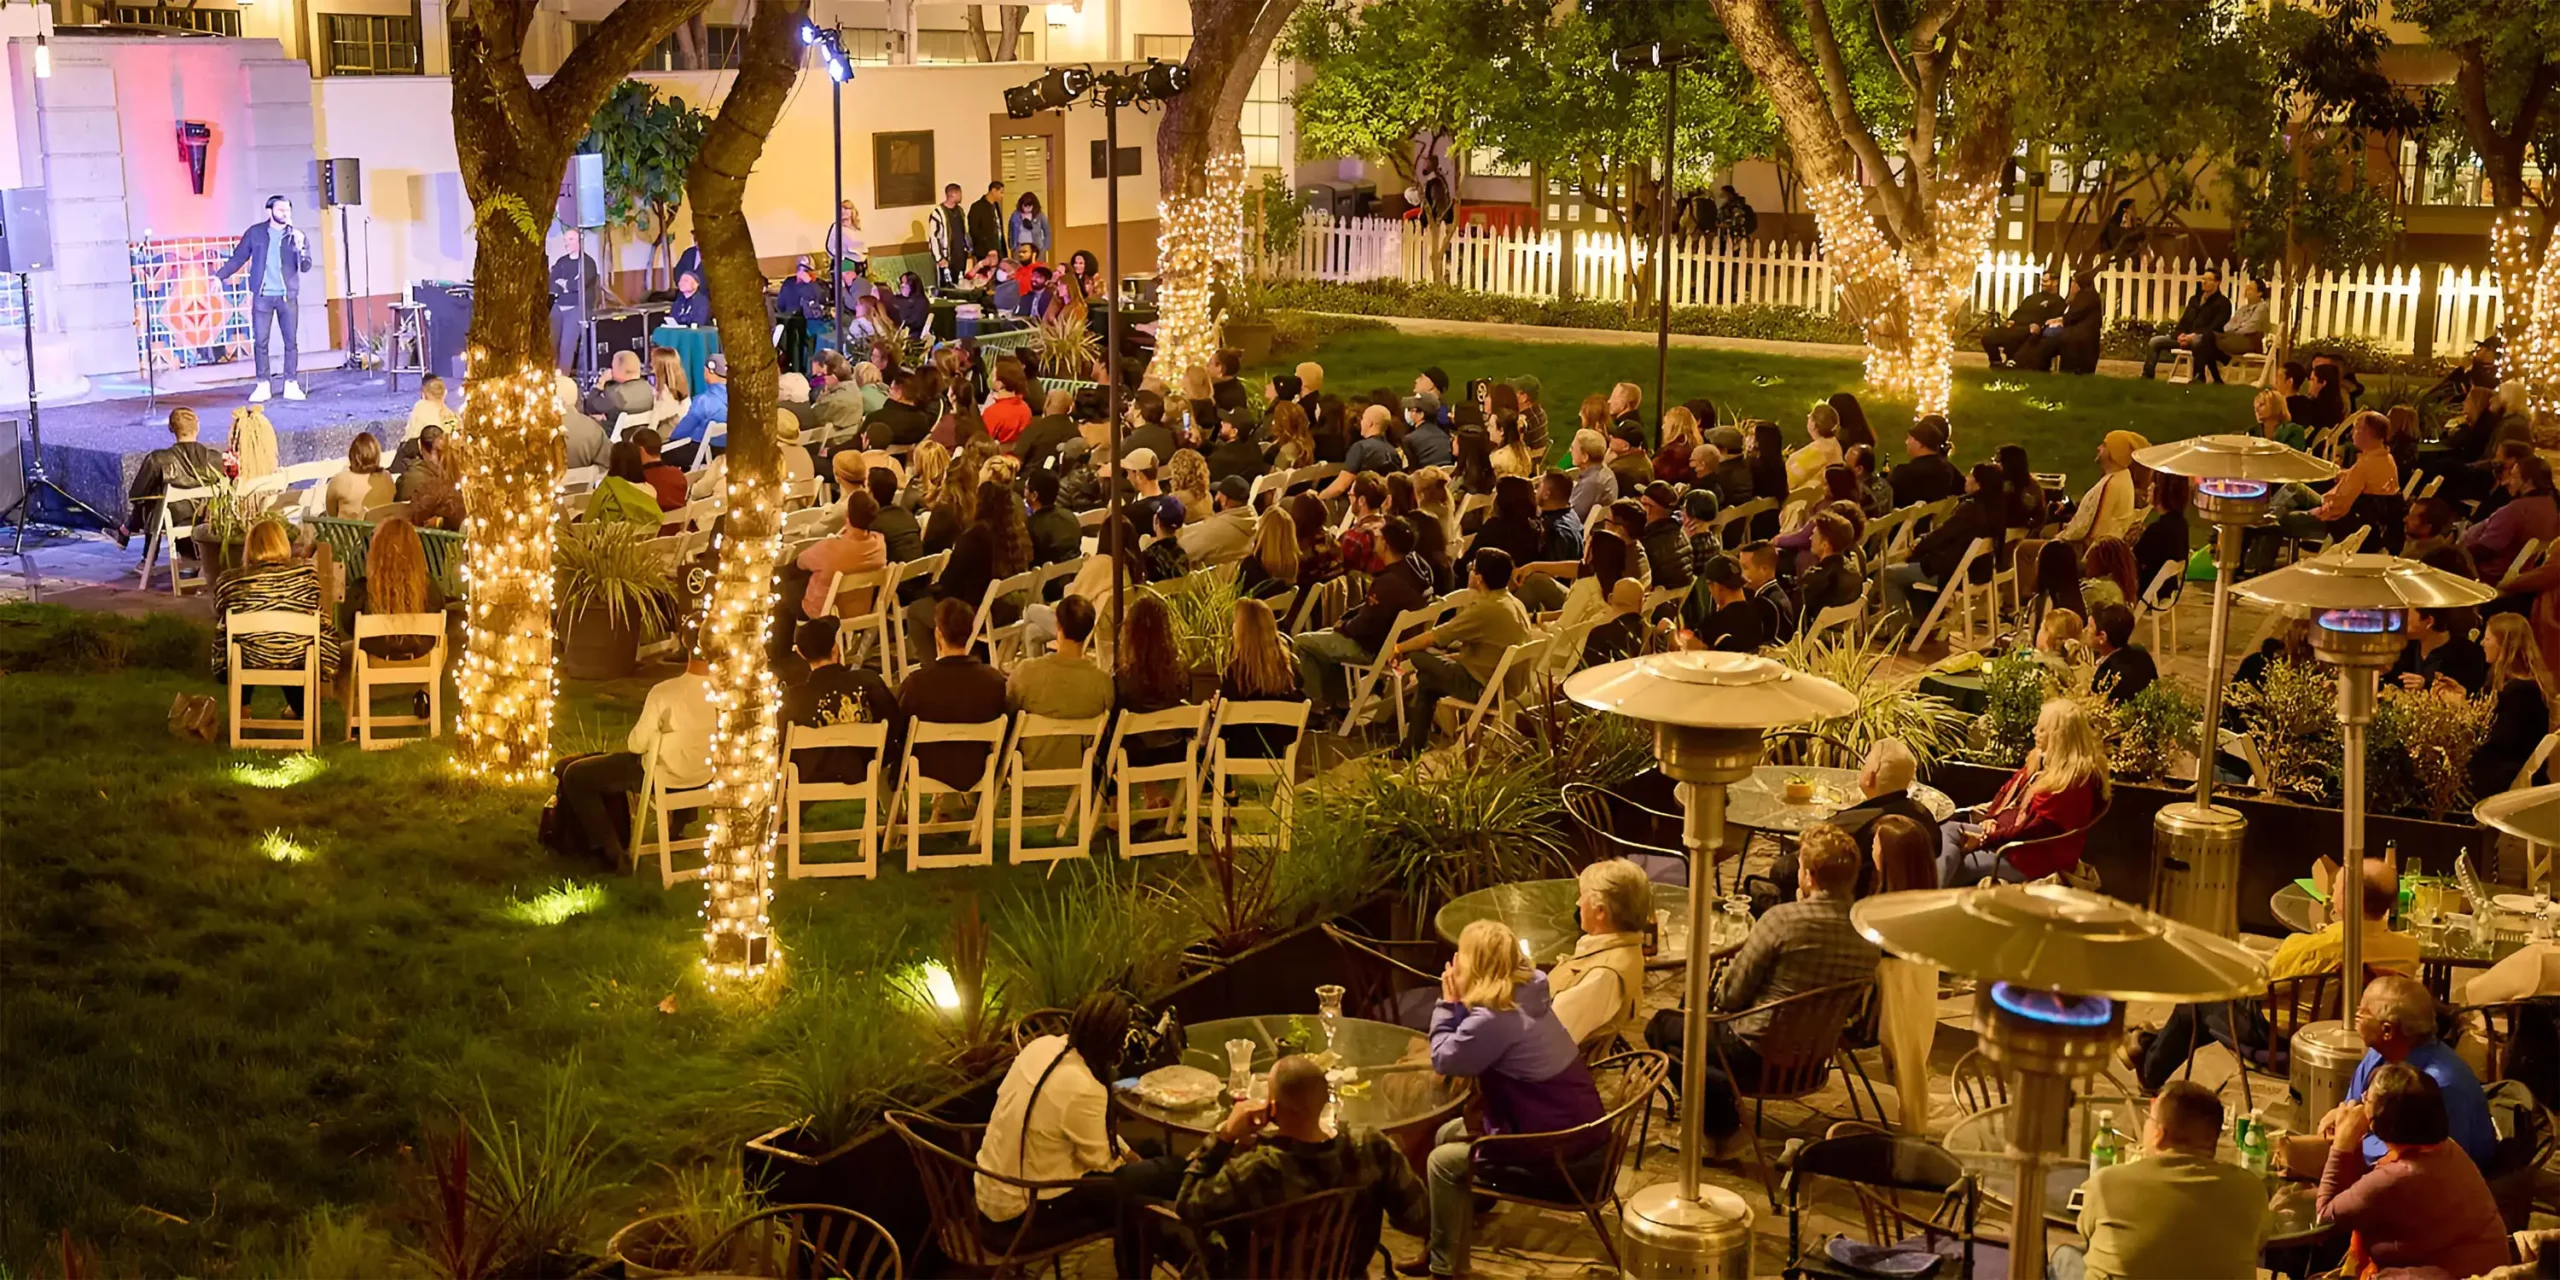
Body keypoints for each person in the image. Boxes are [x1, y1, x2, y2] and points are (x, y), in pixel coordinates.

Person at [1419, 919, 1607, 1280]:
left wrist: (1447, 1003)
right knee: (1446, 1134)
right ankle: (1447, 1239)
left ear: (1478, 966)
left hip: (1559, 1157)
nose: (1455, 960)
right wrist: (1462, 1010)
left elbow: (1445, 1060)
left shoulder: (1496, 1018)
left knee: (1442, 1161)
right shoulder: (1527, 994)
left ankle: (1444, 1269)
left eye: (1463, 955)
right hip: (1581, 1133)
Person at [2134, 857, 2417, 1093]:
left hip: (2279, 1039)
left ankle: (2148, 1070)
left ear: (2351, 897)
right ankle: (2150, 1042)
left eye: (2338, 887)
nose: (2331, 893)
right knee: (2206, 1010)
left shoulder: (2315, 947)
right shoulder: (2408, 950)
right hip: (2359, 1041)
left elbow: (2255, 986)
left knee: (2197, 1001)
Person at [1682, 831, 1876, 1145]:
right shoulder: (1868, 934)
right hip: (1813, 1061)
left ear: (1809, 877)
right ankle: (1721, 1104)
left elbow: (1731, 997)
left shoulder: (1781, 920)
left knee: (1666, 1028)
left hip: (1755, 1056)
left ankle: (1721, 1129)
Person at [978, 990, 1183, 1275]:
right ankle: (1155, 1259)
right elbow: (1102, 1162)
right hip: (1022, 1218)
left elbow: (1094, 1133)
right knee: (1138, 1194)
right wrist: (1135, 1162)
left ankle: (1165, 1243)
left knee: (1148, 1150)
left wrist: (1130, 1153)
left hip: (991, 1196)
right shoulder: (1085, 1088)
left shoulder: (1042, 1046)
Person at [1175, 1053, 1429, 1271]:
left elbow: (1187, 1205)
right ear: (1325, 1100)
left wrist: (1226, 1134)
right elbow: (1417, 1216)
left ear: (1272, 1109)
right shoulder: (1371, 1146)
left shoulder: (1257, 1169)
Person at [2052, 1083, 2270, 1280]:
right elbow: (2258, 1242)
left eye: (2149, 1117)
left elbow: (2087, 1231)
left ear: (2159, 1133)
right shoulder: (2250, 1190)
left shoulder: (2107, 1184)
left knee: (2064, 1256)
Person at [2314, 1063, 2509, 1280]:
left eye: (2367, 1098)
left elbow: (2325, 1217)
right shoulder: (2444, 1147)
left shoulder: (2400, 1176)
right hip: (2479, 1264)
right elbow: (2361, 1194)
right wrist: (2354, 1141)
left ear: (2383, 1120)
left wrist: (2342, 1143)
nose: (2362, 1101)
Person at [554, 649, 711, 870]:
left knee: (575, 774)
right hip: (705, 777)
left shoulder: (666, 692)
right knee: (684, 753)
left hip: (660, 777)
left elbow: (636, 745)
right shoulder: (728, 695)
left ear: (686, 645)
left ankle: (611, 850)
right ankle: (677, 828)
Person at [1936, 697, 2107, 884]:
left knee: (1959, 863)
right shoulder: (2044, 760)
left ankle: (1924, 895)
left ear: (2059, 737)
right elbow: (2006, 791)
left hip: (2029, 858)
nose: (2035, 732)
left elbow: (2034, 831)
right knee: (1947, 830)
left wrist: (1986, 839)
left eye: (2042, 730)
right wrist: (1990, 820)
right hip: (2006, 838)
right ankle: (1928, 890)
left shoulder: (2070, 782)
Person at [1385, 547, 1534, 756]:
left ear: (1479, 578)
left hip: (1486, 687)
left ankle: (1411, 745)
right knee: (1428, 678)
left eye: (1472, 568)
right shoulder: (1512, 602)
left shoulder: (1487, 608)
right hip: (1510, 684)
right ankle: (1411, 745)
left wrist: (1398, 648)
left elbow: (1436, 636)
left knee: (1418, 657)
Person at [210, 518, 344, 722]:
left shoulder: (231, 581)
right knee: (289, 642)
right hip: (297, 653)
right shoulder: (305, 575)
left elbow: (220, 610)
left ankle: (243, 707)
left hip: (251, 655)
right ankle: (301, 709)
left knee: (240, 640)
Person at [1295, 519, 1430, 716]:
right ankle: (1341, 700)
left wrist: (1344, 625)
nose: (1375, 540)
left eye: (1378, 537)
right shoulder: (1417, 571)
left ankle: (1314, 708)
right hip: (1397, 642)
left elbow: (1364, 625)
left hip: (1373, 648)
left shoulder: (1388, 583)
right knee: (1323, 636)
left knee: (1302, 643)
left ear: (1386, 544)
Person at [897, 597, 1011, 795]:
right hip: (978, 768)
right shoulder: (993, 681)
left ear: (938, 634)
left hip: (925, 769)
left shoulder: (917, 683)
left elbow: (899, 730)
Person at [1882, 461, 2004, 634]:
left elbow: (1941, 535)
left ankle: (1897, 629)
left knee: (1889, 573)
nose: (1966, 479)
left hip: (1950, 570)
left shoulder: (1970, 509)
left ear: (1979, 484)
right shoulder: (1995, 508)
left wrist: (1916, 547)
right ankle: (1921, 618)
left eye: (1971, 476)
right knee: (1910, 569)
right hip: (1976, 570)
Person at [1548, 859, 1657, 1049]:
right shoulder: (1624, 946)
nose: (1578, 902)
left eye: (1582, 896)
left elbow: (1547, 1042)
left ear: (1600, 912)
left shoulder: (1603, 975)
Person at [216, 194, 315, 402]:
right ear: (269, 211)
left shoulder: (296, 236)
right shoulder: (256, 233)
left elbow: (305, 266)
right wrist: (220, 276)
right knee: (261, 341)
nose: (285, 213)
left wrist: (301, 247)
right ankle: (263, 384)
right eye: (281, 210)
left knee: (291, 341)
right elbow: (238, 257)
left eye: (288, 210)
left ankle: (291, 383)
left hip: (287, 296)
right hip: (263, 295)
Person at [779, 617, 898, 784]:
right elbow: (893, 724)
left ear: (801, 654)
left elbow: (781, 745)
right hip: (863, 769)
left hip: (813, 776)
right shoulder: (868, 680)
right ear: (835, 649)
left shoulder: (792, 698)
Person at [2474, 613, 2555, 797]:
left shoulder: (2522, 692)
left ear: (2504, 645)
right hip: (2500, 773)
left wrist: (2464, 713)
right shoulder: (2507, 685)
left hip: (2508, 783)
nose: (2482, 643)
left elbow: (2498, 742)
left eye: (2487, 638)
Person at [1216, 597, 1306, 761]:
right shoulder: (1289, 670)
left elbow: (1223, 730)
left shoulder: (1235, 674)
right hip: (1278, 756)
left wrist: (1216, 709)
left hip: (1238, 757)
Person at [123, 406, 223, 542]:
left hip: (169, 518)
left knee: (150, 497)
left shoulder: (158, 459)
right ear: (197, 427)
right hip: (204, 516)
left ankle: (130, 537)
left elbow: (135, 495)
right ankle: (126, 535)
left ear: (171, 428)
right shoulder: (215, 459)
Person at [2463, 453, 2560, 584]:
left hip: (2485, 574)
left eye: (2514, 477)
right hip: (2521, 570)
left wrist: (2457, 554)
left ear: (2528, 482)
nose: (2508, 482)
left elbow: (2486, 549)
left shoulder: (2516, 510)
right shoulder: (2550, 504)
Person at [2141, 268, 2232, 380]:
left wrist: (2193, 335)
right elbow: (2184, 321)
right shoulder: (2195, 299)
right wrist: (2180, 335)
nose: (2204, 282)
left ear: (2217, 282)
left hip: (2204, 339)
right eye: (2203, 279)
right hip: (2185, 337)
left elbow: (2216, 326)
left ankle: (2199, 376)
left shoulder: (2223, 303)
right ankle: (2147, 375)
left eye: (2208, 280)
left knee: (2197, 341)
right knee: (2155, 341)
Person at [2017, 268, 2103, 374]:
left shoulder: (2086, 297)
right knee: (2045, 339)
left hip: (2078, 336)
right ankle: (2027, 363)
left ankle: (2033, 366)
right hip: (2075, 333)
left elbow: (2072, 316)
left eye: (2074, 282)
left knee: (2047, 343)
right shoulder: (2085, 296)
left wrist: (2057, 321)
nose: (2072, 285)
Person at [1982, 270, 2065, 367]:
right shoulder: (2032, 298)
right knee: (1988, 336)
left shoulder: (2058, 302)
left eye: (2046, 281)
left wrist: (2039, 325)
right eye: (2042, 281)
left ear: (2055, 282)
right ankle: (1996, 362)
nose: (2042, 284)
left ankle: (2013, 362)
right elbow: (2019, 311)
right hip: (2015, 327)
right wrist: (2011, 320)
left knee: (2021, 337)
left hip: (2031, 331)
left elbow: (2053, 320)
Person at [2132, 472, 2192, 598]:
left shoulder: (2158, 529)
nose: (2148, 488)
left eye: (2152, 484)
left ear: (2163, 491)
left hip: (2149, 594)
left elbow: (2132, 560)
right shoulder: (2181, 524)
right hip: (2166, 590)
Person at [667, 354, 732, 466]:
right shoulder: (737, 399)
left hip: (704, 453)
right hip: (727, 452)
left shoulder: (704, 401)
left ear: (710, 371)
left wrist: (671, 437)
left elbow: (681, 432)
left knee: (663, 454)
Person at [2200, 278, 2271, 382]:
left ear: (2260, 293)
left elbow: (2251, 327)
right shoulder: (2243, 309)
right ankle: (2219, 369)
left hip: (2250, 340)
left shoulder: (2262, 308)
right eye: (2247, 288)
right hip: (2234, 337)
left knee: (2209, 342)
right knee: (2207, 336)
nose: (2247, 291)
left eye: (2251, 289)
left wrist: (2234, 330)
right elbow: (2228, 325)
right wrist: (2233, 330)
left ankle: (2220, 363)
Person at [2087, 602, 2156, 705]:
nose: (2085, 630)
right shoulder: (2141, 652)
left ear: (2102, 637)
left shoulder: (2105, 677)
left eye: (2090, 627)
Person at [584, 441, 664, 529]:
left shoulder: (608, 486)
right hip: (647, 541)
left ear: (613, 461)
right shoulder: (651, 491)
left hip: (611, 540)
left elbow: (587, 520)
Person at [1693, 554, 1764, 653]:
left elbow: (1686, 654)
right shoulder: (1761, 614)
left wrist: (1669, 631)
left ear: (1717, 587)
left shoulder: (1711, 627)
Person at [1889, 417, 1962, 507]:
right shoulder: (1948, 470)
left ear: (1921, 444)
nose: (1906, 442)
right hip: (1933, 519)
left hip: (1906, 520)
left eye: (1910, 438)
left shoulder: (1903, 473)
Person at [322, 432, 396, 519]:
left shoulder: (340, 480)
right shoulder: (386, 478)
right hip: (379, 531)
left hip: (347, 532)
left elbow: (331, 513)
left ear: (352, 456)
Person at [628, 429, 690, 515]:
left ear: (641, 451)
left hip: (652, 527)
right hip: (681, 525)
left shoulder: (636, 481)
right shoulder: (678, 474)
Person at [929, 183, 973, 286]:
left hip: (961, 256)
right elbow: (933, 237)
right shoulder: (938, 213)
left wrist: (968, 248)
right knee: (947, 286)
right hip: (946, 257)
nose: (961, 196)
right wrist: (939, 258)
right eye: (959, 193)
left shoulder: (960, 211)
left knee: (959, 283)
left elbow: (965, 231)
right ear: (953, 194)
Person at [1007, 191, 1050, 259]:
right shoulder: (1015, 215)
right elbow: (1010, 231)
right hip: (1019, 247)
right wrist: (1012, 246)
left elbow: (1047, 231)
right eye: (1025, 205)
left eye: (1030, 206)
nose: (1027, 208)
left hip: (1036, 248)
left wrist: (1045, 247)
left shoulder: (1039, 215)